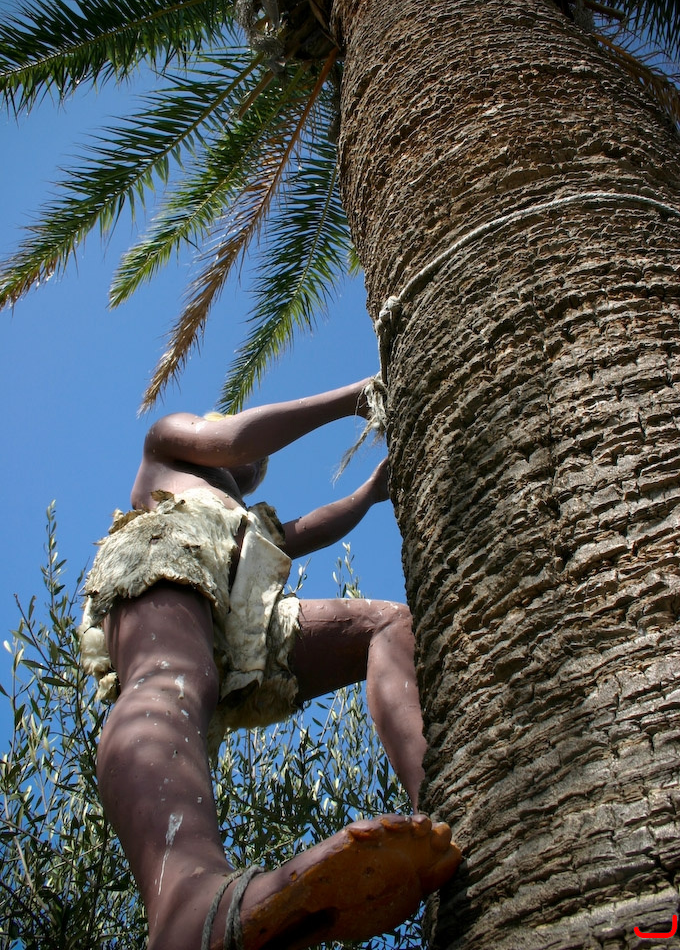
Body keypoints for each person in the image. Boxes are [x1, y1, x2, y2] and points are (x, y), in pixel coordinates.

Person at [79, 378, 461, 950]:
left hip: (241, 616)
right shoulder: (167, 445)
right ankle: (189, 907)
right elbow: (234, 439)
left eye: (260, 465)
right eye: (252, 457)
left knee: (385, 625)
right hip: (166, 559)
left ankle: (440, 807)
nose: (257, 465)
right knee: (173, 680)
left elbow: (314, 528)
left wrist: (370, 491)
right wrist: (355, 397)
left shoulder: (250, 521)